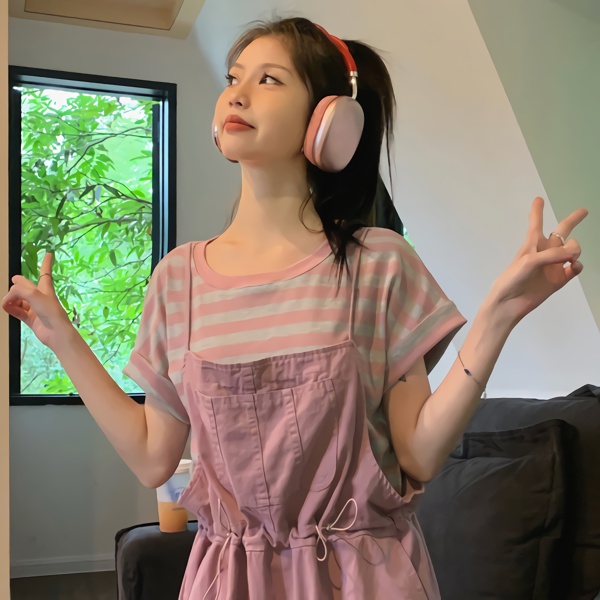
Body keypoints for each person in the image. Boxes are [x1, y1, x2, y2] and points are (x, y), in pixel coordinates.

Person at [2, 16, 588, 600]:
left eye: (269, 79)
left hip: (364, 581)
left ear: (327, 119)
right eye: (234, 78)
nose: (238, 93)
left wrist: (498, 316)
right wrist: (63, 339)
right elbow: (153, 457)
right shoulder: (177, 280)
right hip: (229, 582)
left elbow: (419, 454)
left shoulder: (378, 263)